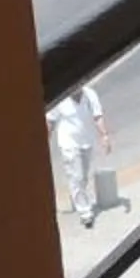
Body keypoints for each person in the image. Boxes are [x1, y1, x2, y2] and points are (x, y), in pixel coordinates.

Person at [49, 82, 112, 226]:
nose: (74, 89)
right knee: (76, 176)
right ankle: (85, 213)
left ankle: (77, 196)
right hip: (68, 144)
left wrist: (105, 136)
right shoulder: (60, 99)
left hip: (86, 142)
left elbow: (98, 116)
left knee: (82, 177)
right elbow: (50, 121)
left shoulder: (90, 94)